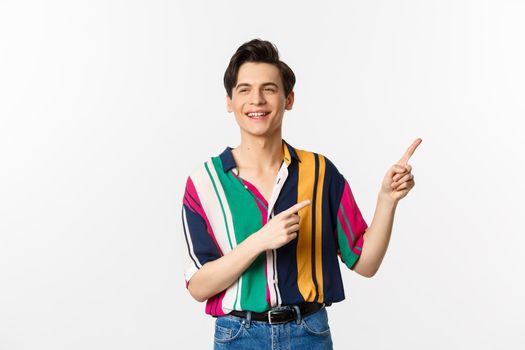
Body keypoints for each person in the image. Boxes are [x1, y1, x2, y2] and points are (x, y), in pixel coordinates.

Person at [181, 38, 422, 349]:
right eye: (244, 89)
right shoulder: (204, 183)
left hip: (308, 333)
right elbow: (199, 286)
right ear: (229, 101)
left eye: (269, 88)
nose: (257, 99)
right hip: (237, 336)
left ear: (288, 99)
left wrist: (387, 200)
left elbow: (365, 263)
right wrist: (260, 241)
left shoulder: (321, 173)